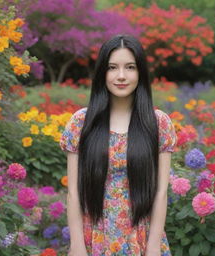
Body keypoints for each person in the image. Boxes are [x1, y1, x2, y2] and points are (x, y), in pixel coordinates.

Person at [60, 34, 177, 256]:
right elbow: (73, 193)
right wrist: (76, 245)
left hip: (141, 238)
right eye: (112, 67)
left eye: (130, 67)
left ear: (140, 72)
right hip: (94, 237)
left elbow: (161, 192)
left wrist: (153, 247)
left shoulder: (158, 122)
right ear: (102, 73)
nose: (121, 76)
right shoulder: (81, 123)